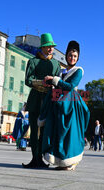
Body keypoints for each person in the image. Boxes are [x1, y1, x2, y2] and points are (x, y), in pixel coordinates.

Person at [38, 40, 90, 171]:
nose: (72, 58)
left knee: (70, 133)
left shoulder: (79, 70)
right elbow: (58, 86)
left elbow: (70, 86)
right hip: (58, 103)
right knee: (58, 132)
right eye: (70, 55)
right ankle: (61, 162)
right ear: (66, 55)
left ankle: (70, 162)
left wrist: (55, 80)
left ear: (78, 58)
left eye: (75, 56)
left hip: (71, 104)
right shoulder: (61, 71)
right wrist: (50, 83)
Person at [23, 33, 61, 168]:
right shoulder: (33, 61)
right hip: (35, 99)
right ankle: (35, 158)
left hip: (48, 100)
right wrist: (40, 83)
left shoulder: (56, 64)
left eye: (52, 46)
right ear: (42, 47)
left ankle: (42, 158)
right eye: (47, 46)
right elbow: (28, 80)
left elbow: (59, 82)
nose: (50, 48)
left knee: (45, 131)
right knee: (34, 130)